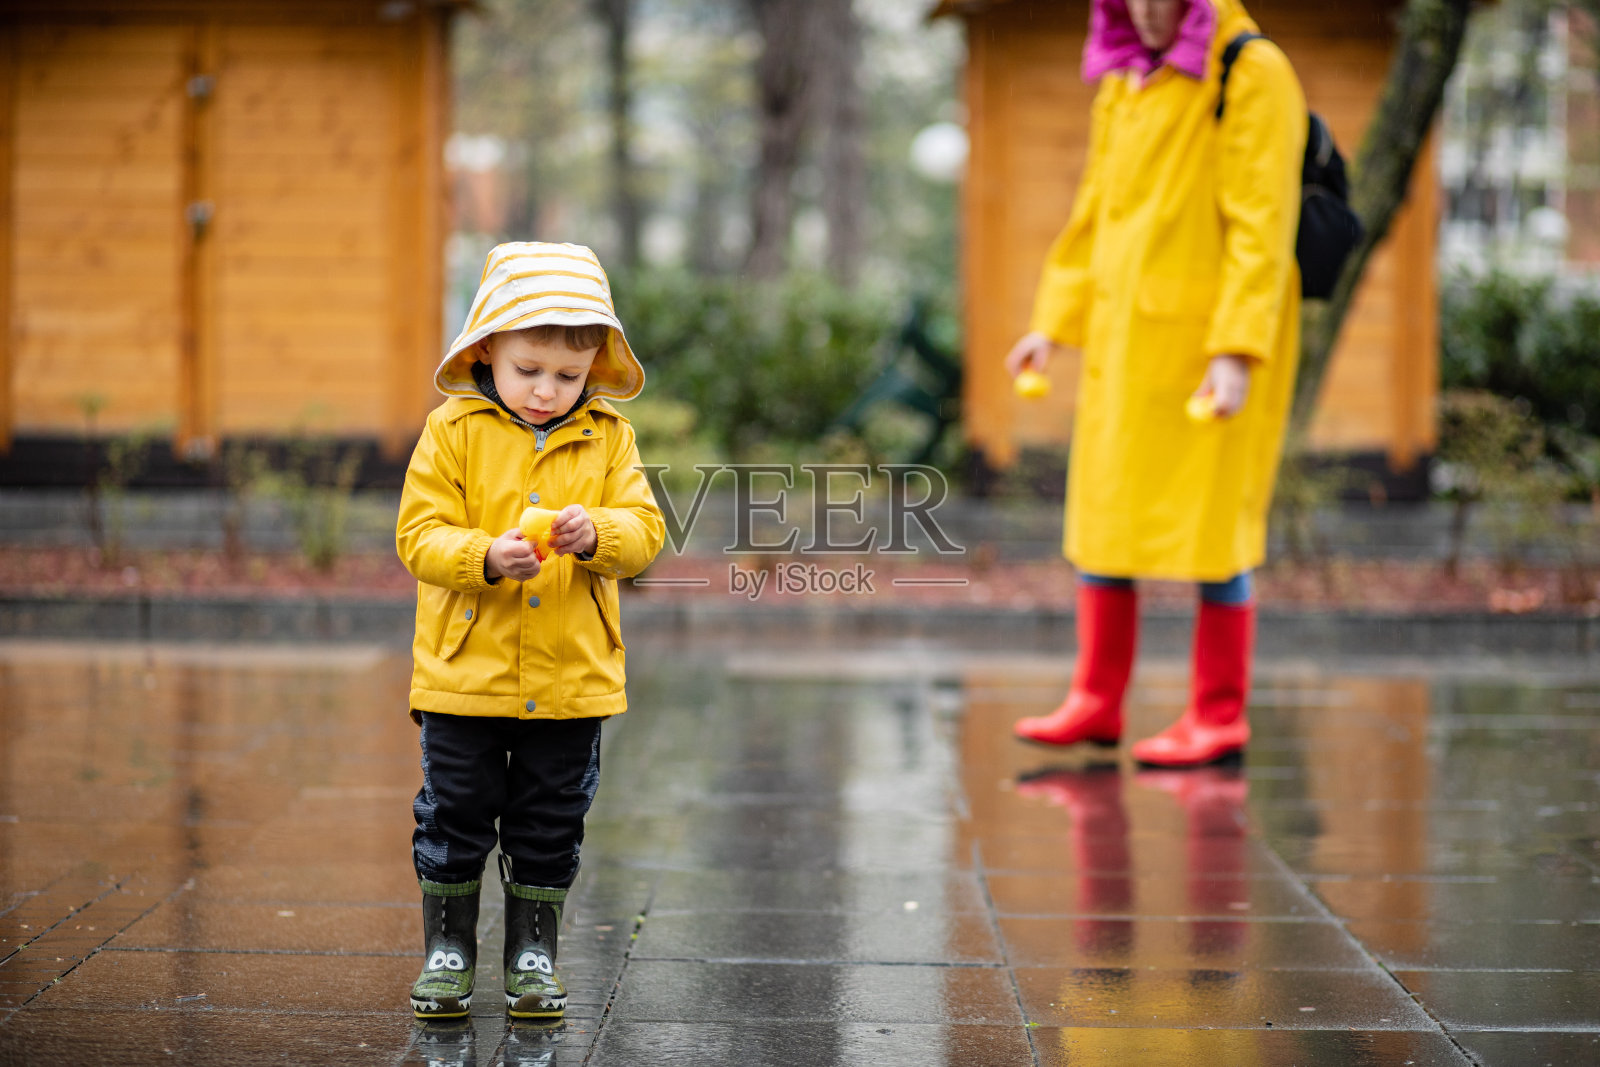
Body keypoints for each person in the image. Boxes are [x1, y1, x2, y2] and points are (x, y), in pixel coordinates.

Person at [1007, 0, 1305, 767]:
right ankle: (1096, 700)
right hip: (1124, 343)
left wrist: (1237, 350)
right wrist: (1053, 322)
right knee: (1104, 515)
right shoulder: (1125, 78)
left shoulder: (1250, 72)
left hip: (1209, 352)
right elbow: (1094, 210)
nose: (1143, 14)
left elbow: (1261, 224)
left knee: (1215, 529)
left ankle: (1218, 714)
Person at [396, 242, 665, 1020]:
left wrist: (599, 534)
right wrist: (483, 553)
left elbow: (644, 530)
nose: (547, 391)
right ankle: (448, 948)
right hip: (463, 674)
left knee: (551, 816)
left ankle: (533, 952)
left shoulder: (608, 437)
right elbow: (419, 536)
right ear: (486, 350)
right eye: (528, 370)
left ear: (594, 370)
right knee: (454, 810)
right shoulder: (452, 431)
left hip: (571, 675)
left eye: (567, 376)